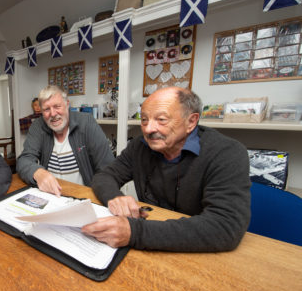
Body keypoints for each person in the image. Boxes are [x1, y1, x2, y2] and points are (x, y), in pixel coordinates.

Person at [82, 87, 251, 252]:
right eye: (144, 120)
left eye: (161, 119)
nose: (148, 129)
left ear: (191, 121)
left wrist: (135, 233)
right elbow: (105, 175)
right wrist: (115, 197)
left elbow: (225, 226)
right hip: (150, 244)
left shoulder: (227, 153)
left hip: (198, 251)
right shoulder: (139, 147)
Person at [17, 85, 115, 196]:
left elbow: (107, 167)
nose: (53, 114)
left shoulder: (87, 122)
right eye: (46, 109)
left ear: (67, 104)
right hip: (51, 197)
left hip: (83, 197)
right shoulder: (37, 126)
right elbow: (24, 160)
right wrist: (37, 172)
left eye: (57, 106)